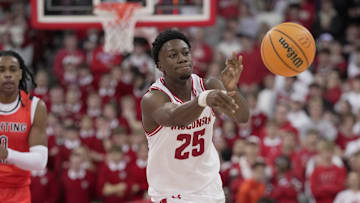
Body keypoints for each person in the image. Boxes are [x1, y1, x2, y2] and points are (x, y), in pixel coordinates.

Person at [141, 30, 249, 202]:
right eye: (173, 55)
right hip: (172, 193)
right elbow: (175, 118)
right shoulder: (153, 98)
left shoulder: (208, 85)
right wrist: (203, 99)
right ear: (160, 65)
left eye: (185, 53)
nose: (182, 58)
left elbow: (242, 117)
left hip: (210, 188)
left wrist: (231, 89)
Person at [0, 50, 48, 202]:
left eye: (12, 69)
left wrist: (7, 154)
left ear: (20, 74)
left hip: (17, 192)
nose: (7, 74)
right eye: (1, 70)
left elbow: (40, 161)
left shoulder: (35, 106)